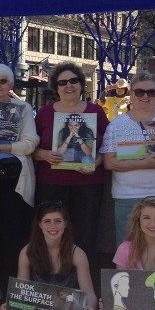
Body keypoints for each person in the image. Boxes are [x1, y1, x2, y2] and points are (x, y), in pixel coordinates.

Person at [101, 72, 155, 245]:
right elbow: (109, 162)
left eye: (151, 92)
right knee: (130, 252)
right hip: (129, 197)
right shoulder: (116, 125)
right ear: (131, 93)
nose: (145, 96)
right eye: (139, 92)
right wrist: (145, 163)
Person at [34, 62, 109, 266]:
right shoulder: (44, 114)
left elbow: (107, 147)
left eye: (74, 81)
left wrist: (97, 161)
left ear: (81, 84)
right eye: (63, 82)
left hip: (88, 185)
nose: (69, 85)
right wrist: (45, 154)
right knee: (52, 232)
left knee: (85, 233)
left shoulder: (96, 112)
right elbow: (32, 150)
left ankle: (82, 278)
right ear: (56, 87)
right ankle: (52, 273)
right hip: (51, 183)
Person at [0, 201, 99, 310]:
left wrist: (90, 307)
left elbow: (89, 292)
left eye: (58, 221)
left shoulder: (77, 253)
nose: (53, 226)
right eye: (47, 221)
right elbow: (21, 290)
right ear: (39, 225)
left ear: (65, 224)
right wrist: (10, 306)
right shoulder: (28, 251)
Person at [0, 64, 39, 300]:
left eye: (3, 81)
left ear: (11, 84)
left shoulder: (23, 108)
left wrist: (0, 147)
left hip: (14, 179)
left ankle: (15, 289)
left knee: (14, 234)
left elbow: (31, 142)